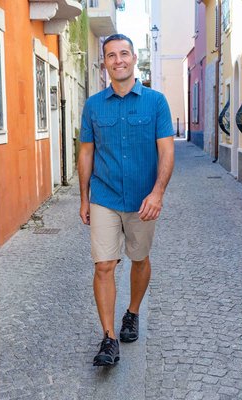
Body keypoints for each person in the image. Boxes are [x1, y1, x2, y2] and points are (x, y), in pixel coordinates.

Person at [78, 33, 175, 367]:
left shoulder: (156, 102)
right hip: (104, 196)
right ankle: (109, 338)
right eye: (111, 55)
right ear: (104, 63)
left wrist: (157, 193)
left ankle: (132, 312)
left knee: (139, 258)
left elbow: (167, 151)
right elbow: (86, 153)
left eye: (123, 53)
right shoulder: (93, 106)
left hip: (142, 199)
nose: (118, 60)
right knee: (104, 265)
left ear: (134, 58)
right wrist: (84, 198)